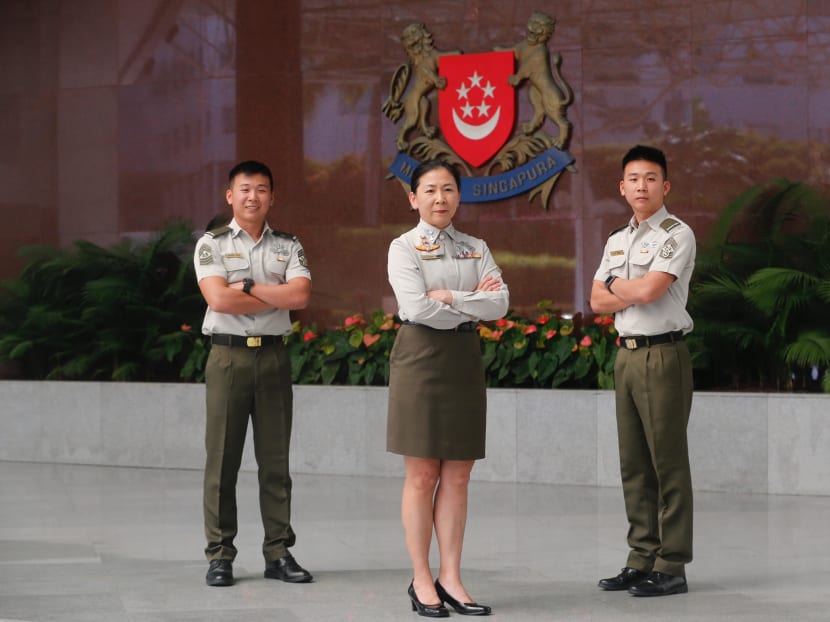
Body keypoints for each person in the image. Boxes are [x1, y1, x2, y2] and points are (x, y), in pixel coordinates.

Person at [386, 159, 509, 617]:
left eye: (449, 189)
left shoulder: (476, 247)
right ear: (413, 198)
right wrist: (472, 302)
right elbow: (415, 308)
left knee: (459, 474)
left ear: (459, 196)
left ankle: (451, 577)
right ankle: (421, 578)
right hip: (419, 359)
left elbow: (500, 303)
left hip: (463, 359)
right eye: (431, 190)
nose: (441, 198)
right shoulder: (403, 247)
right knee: (422, 475)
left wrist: (453, 298)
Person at [193, 160, 313, 587]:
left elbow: (299, 295)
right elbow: (219, 301)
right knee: (222, 461)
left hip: (274, 359)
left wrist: (246, 288)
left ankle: (278, 552)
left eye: (261, 189)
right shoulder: (210, 244)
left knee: (275, 462)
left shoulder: (288, 244)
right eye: (244, 189)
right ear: (230, 195)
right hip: (228, 360)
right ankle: (220, 555)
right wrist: (271, 295)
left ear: (272, 197)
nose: (252, 197)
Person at [590, 145, 696, 597]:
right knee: (634, 464)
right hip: (627, 355)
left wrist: (617, 286)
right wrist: (622, 289)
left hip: (662, 355)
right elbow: (596, 302)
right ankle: (641, 556)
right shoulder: (617, 238)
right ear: (621, 187)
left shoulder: (677, 233)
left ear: (665, 185)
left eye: (651, 178)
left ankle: (671, 564)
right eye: (633, 178)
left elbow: (653, 291)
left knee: (666, 463)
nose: (641, 186)